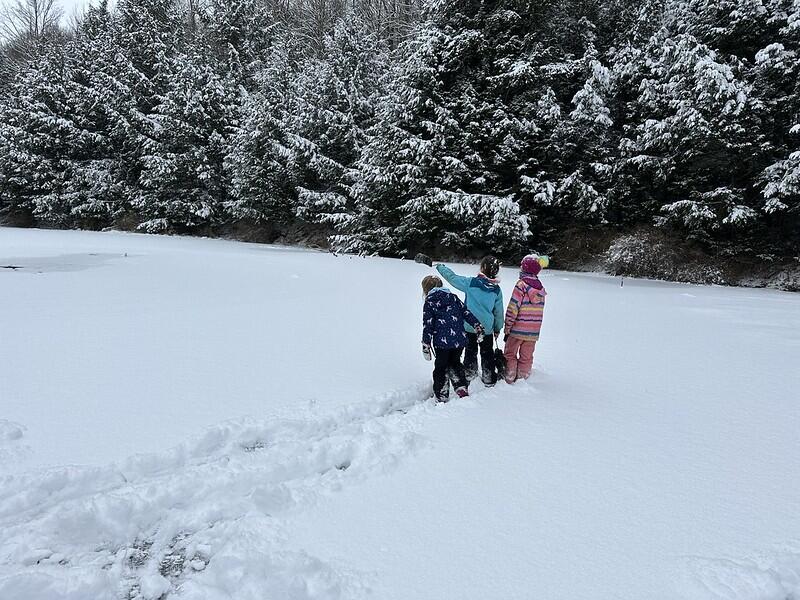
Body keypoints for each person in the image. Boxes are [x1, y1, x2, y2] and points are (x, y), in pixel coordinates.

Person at [434, 257, 504, 385]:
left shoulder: (471, 283)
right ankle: (489, 377)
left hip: (469, 325)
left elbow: (452, 278)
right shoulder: (496, 290)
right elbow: (498, 312)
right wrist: (497, 327)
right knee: (487, 353)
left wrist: (440, 266)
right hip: (486, 328)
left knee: (470, 351)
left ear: (482, 268)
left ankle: (470, 373)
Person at [421, 275, 484, 402]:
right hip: (459, 341)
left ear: (426, 290)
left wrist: (426, 344)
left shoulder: (430, 302)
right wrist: (477, 325)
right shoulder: (453, 298)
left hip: (442, 344)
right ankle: (461, 386)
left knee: (441, 367)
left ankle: (442, 392)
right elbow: (466, 312)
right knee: (455, 363)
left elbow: (428, 325)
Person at [503, 254, 547, 383]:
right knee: (526, 357)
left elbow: (513, 308)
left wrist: (507, 327)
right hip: (533, 331)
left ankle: (509, 376)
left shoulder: (521, 285)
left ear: (524, 269)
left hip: (517, 329)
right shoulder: (541, 289)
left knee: (510, 354)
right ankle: (523, 377)